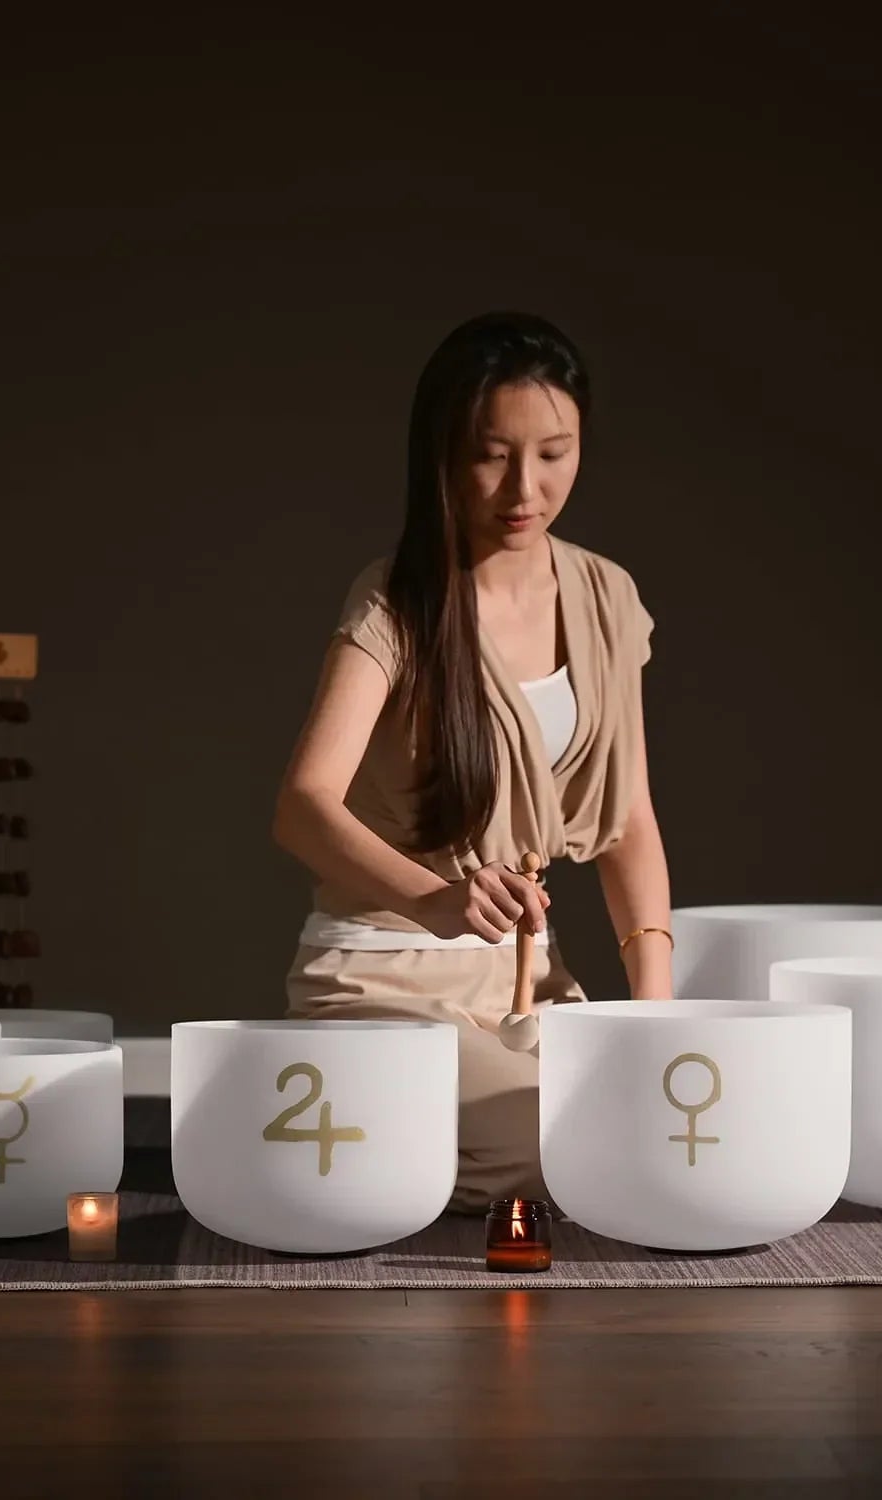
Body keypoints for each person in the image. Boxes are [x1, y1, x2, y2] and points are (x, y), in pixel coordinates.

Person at [272, 311, 672, 1212]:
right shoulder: (399, 599)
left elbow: (629, 819)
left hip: (532, 982)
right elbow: (302, 805)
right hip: (383, 976)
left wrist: (654, 1010)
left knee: (649, 1123)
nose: (524, 488)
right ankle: (333, 1143)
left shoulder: (607, 596)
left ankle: (384, 1151)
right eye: (491, 455)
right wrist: (438, 899)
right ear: (443, 456)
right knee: (562, 1151)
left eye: (554, 453)